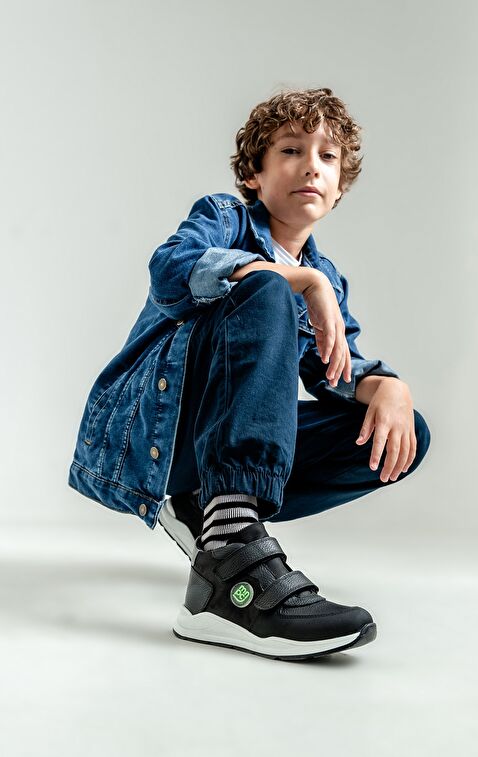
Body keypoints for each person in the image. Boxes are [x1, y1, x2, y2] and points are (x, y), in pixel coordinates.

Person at [68, 87, 431, 661]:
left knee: (402, 431)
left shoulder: (326, 278)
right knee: (263, 288)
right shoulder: (224, 217)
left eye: (327, 156)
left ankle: (210, 508)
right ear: (253, 176)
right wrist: (294, 282)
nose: (310, 165)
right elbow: (171, 269)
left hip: (216, 450)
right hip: (160, 433)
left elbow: (334, 370)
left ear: (339, 188)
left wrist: (388, 385)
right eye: (290, 150)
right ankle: (227, 571)